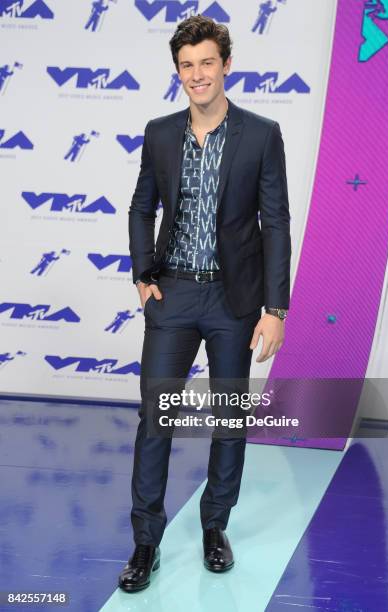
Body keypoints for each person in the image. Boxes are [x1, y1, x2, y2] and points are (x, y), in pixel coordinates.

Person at [118, 15, 291, 593]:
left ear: (226, 66)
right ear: (178, 72)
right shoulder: (160, 132)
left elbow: (277, 222)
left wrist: (275, 308)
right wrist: (144, 274)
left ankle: (215, 527)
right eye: (187, 65)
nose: (198, 74)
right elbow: (141, 207)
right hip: (174, 294)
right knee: (156, 420)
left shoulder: (262, 133)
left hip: (235, 299)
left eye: (207, 63)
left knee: (228, 420)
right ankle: (146, 541)